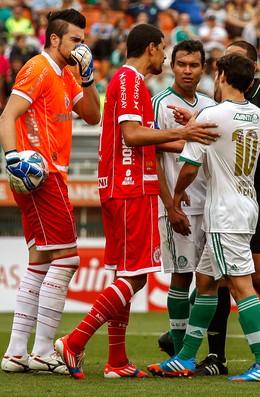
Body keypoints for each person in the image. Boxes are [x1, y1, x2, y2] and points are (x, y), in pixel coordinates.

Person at [54, 23, 220, 380]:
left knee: (124, 273)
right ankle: (75, 341)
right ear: (149, 49)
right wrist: (184, 132)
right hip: (128, 187)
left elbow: (147, 139)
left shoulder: (131, 83)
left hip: (123, 186)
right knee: (136, 277)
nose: (163, 55)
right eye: (162, 49)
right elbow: (132, 135)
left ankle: (116, 360)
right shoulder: (130, 81)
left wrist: (189, 141)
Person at [159, 40, 260, 376]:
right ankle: (186, 357)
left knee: (241, 286)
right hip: (247, 202)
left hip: (224, 212)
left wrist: (175, 197)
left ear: (222, 75)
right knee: (206, 283)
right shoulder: (255, 115)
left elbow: (190, 166)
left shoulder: (212, 115)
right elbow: (234, 132)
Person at [0, 8, 100, 374]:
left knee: (41, 261)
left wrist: (88, 77)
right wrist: (12, 158)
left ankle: (15, 353)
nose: (81, 46)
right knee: (69, 258)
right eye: (75, 39)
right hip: (42, 174)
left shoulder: (65, 74)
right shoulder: (39, 67)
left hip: (45, 174)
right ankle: (43, 350)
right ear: (55, 39)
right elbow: (7, 115)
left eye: (83, 40)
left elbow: (93, 115)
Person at [153, 39, 215, 357]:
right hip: (181, 207)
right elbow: (150, 154)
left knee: (214, 278)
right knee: (182, 275)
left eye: (193, 65)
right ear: (172, 66)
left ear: (203, 68)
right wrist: (170, 205)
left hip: (213, 205)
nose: (187, 70)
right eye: (181, 64)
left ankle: (184, 347)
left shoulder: (211, 106)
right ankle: (179, 354)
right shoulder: (161, 103)